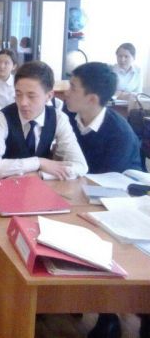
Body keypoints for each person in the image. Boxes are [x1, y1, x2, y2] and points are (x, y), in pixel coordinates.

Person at [64, 62, 143, 338]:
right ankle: (73, 298)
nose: (66, 92)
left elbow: (106, 185)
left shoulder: (119, 134)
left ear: (92, 99)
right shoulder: (69, 116)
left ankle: (109, 314)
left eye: (72, 88)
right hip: (79, 197)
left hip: (119, 208)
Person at [0, 61, 88, 180]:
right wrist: (38, 162)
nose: (23, 103)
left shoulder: (59, 118)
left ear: (49, 96)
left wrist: (40, 175)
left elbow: (80, 166)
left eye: (31, 96)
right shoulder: (0, 118)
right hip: (6, 187)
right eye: (18, 94)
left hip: (44, 188)